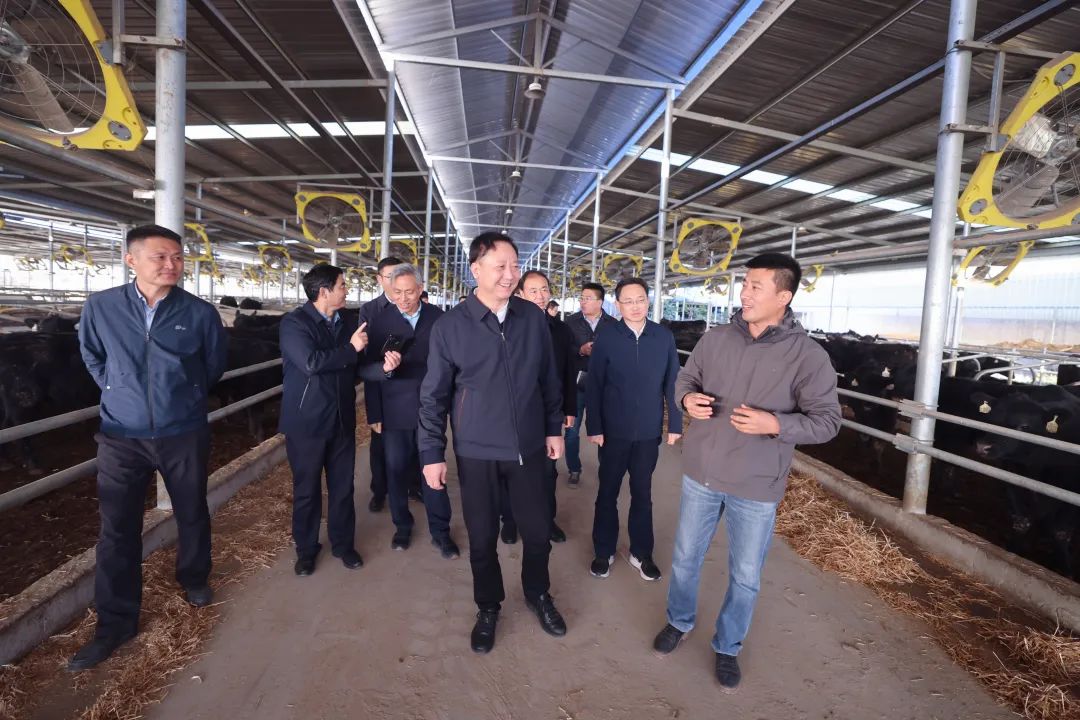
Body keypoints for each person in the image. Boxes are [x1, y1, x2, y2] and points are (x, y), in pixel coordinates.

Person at [652, 253, 841, 693]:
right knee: (685, 557)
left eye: (756, 286)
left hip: (756, 483)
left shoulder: (808, 356)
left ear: (784, 296)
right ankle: (679, 621)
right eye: (745, 284)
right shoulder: (715, 339)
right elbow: (685, 380)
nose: (745, 293)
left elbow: (828, 422)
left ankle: (728, 645)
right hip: (703, 472)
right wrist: (686, 401)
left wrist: (776, 424)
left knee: (745, 574)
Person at [70, 224, 229, 671]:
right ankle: (115, 623)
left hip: (183, 431)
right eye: (160, 256)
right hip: (121, 435)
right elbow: (92, 355)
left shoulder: (199, 313)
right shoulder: (101, 306)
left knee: (191, 509)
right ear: (131, 260)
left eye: (177, 257)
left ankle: (194, 578)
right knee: (117, 529)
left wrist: (184, 397)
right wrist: (117, 388)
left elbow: (213, 366)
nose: (171, 264)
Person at [419, 232, 566, 655]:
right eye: (500, 266)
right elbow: (433, 397)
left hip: (528, 447)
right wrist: (431, 453)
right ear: (476, 269)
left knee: (537, 531)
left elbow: (548, 378)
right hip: (476, 450)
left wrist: (553, 428)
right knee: (482, 537)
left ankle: (538, 593)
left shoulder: (532, 318)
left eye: (515, 266)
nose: (509, 274)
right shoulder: (450, 327)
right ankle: (488, 606)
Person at [279, 265, 401, 577]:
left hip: (341, 418)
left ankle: (343, 544)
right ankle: (306, 550)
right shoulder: (295, 323)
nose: (347, 290)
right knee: (307, 490)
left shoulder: (347, 322)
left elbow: (357, 366)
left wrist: (384, 370)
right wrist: (350, 348)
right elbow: (311, 363)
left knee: (342, 487)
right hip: (306, 423)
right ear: (324, 292)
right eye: (342, 285)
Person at [585, 277, 681, 581]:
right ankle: (604, 550)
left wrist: (674, 423)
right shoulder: (607, 337)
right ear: (617, 305)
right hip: (613, 431)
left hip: (648, 433)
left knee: (643, 493)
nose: (635, 306)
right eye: (628, 301)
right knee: (607, 492)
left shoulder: (663, 337)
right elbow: (594, 384)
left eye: (640, 300)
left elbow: (673, 383)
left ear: (648, 301)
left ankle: (641, 553)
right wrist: (595, 426)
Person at [365, 264, 458, 558]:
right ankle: (402, 526)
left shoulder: (440, 319)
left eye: (409, 292)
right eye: (397, 292)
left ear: (420, 289)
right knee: (395, 469)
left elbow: (453, 365)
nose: (403, 298)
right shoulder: (379, 322)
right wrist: (374, 411)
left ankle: (441, 532)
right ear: (389, 291)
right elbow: (366, 370)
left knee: (433, 468)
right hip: (394, 409)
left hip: (431, 408)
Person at [500, 270, 576, 545]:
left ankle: (546, 519)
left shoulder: (561, 330)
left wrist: (569, 408)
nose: (540, 295)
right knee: (511, 467)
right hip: (515, 411)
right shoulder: (507, 326)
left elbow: (568, 372)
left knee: (547, 470)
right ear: (519, 294)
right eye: (533, 290)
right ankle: (510, 520)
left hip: (549, 412)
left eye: (544, 289)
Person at [359, 256, 405, 513]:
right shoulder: (370, 311)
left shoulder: (413, 305)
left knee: (412, 444)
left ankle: (411, 485)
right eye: (390, 276)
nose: (396, 281)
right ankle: (379, 490)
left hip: (408, 390)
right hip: (381, 388)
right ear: (379, 279)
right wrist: (373, 410)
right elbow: (367, 362)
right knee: (380, 444)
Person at [564, 282, 617, 486]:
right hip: (576, 385)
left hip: (603, 387)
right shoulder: (570, 322)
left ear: (600, 302)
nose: (582, 302)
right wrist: (580, 350)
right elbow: (562, 349)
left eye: (587, 298)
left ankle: (605, 469)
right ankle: (574, 468)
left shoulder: (613, 325)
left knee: (604, 430)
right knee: (571, 431)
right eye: (582, 298)